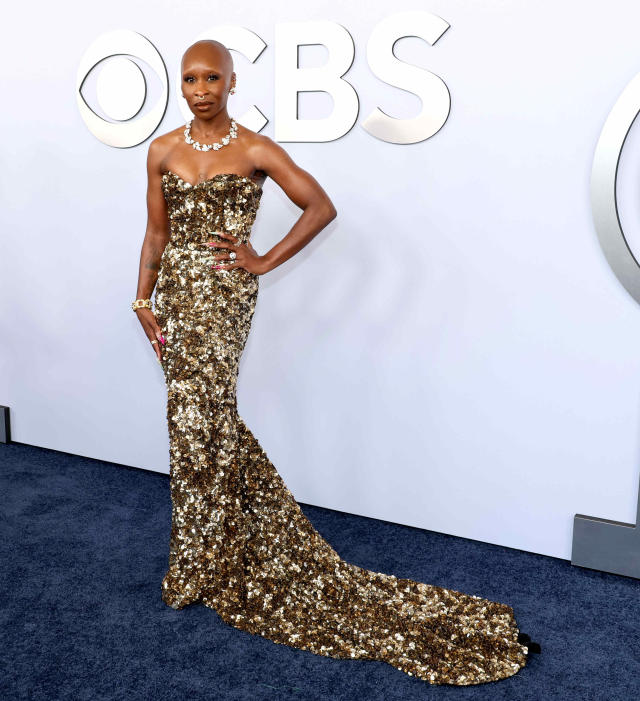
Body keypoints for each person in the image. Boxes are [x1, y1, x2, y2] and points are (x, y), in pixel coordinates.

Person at [131, 39, 539, 686]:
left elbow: (320, 207)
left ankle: (197, 560)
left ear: (233, 82)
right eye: (190, 78)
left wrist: (261, 260)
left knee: (199, 417)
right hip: (177, 296)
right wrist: (142, 293)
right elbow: (156, 231)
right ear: (180, 85)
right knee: (197, 424)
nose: (201, 88)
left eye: (212, 76)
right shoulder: (161, 148)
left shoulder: (256, 149)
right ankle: (208, 550)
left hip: (226, 298)